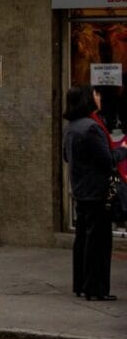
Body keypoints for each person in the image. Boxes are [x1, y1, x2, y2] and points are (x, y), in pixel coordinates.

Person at [62, 85, 127, 302]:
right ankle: (96, 289)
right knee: (98, 242)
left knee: (83, 238)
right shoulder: (92, 128)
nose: (99, 97)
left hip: (81, 190)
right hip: (97, 192)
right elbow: (108, 161)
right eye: (95, 94)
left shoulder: (72, 127)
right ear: (87, 99)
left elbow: (66, 156)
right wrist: (123, 149)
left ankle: (81, 284)